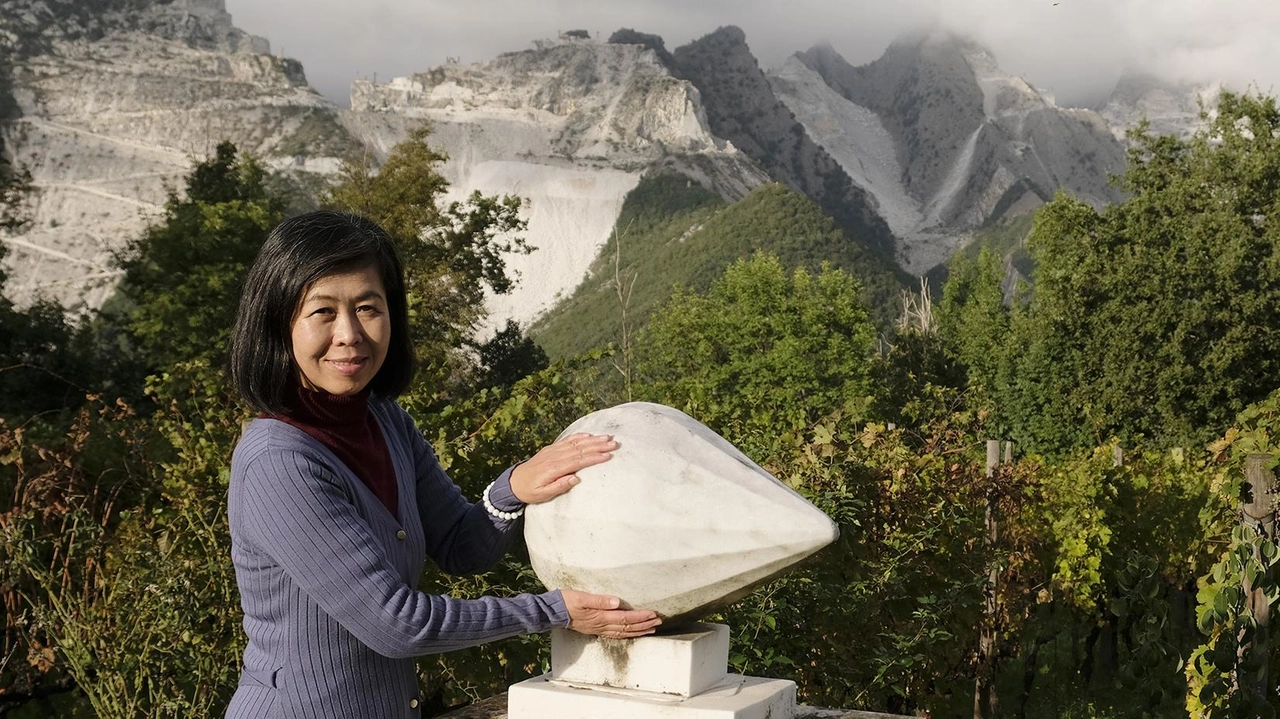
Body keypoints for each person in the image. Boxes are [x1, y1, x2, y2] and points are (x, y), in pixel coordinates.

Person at [224, 210, 660, 718]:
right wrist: (554, 611)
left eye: (368, 308)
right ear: (280, 324)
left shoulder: (385, 422)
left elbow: (460, 547)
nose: (349, 333)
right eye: (322, 312)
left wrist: (511, 490)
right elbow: (397, 624)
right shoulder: (281, 463)